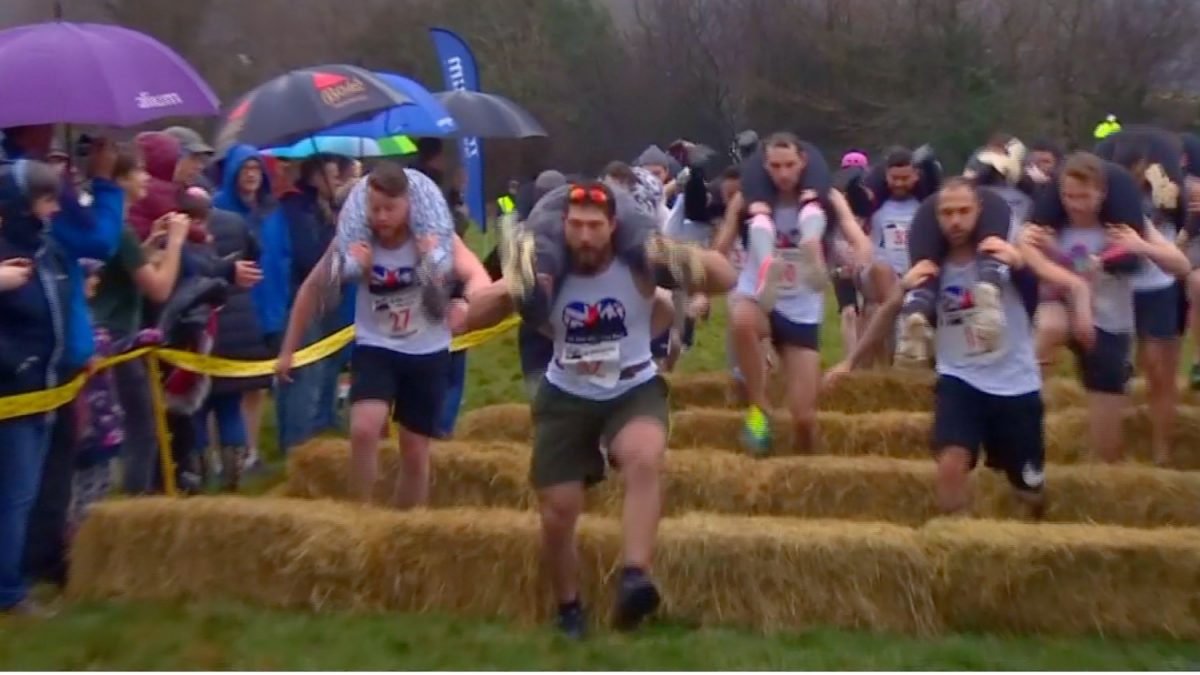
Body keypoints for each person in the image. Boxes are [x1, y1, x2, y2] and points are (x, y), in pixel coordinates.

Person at [488, 180, 736, 637]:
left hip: (631, 385)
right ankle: (570, 608)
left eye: (594, 227)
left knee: (644, 456)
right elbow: (477, 311)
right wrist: (508, 288)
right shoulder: (546, 269)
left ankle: (634, 577)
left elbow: (725, 278)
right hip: (566, 393)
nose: (585, 237)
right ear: (563, 227)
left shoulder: (640, 265)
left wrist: (686, 260)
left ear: (612, 227)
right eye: (576, 226)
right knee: (559, 511)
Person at [827, 180, 1046, 516]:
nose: (955, 221)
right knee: (950, 465)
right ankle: (959, 542)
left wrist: (1021, 263)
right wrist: (850, 362)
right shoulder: (929, 268)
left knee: (1028, 489)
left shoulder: (1004, 255)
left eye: (963, 212)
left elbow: (1043, 290)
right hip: (960, 379)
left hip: (1015, 383)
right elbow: (887, 312)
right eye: (946, 213)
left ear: (979, 212)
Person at [277, 162, 489, 507]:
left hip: (427, 350)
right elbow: (312, 291)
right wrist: (288, 351)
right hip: (378, 345)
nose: (382, 217)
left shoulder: (435, 239)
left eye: (390, 209)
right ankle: (362, 512)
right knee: (363, 428)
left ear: (409, 206)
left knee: (415, 449)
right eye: (374, 209)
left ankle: (406, 525)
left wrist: (466, 305)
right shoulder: (355, 245)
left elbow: (478, 276)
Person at [0, 156, 121, 616]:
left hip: (46, 389)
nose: (54, 209)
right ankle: (8, 594)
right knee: (13, 496)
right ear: (21, 203)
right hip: (13, 390)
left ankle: (17, 575)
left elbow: (94, 243)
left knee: (25, 493)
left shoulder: (47, 251)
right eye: (47, 199)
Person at [1020, 152, 1187, 464]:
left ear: (1102, 193)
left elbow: (1180, 264)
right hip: (1066, 311)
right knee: (1049, 326)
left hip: (1110, 325)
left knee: (1106, 447)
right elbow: (1067, 263)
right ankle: (1022, 412)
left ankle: (1109, 458)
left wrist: (1143, 247)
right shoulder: (1051, 226)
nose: (1075, 204)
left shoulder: (1124, 226)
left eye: (1084, 197)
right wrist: (1048, 250)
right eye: (1068, 196)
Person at [91, 146, 190, 495]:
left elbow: (119, 270)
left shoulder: (105, 227)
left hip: (99, 336)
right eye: (139, 171)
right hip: (119, 339)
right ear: (119, 180)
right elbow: (159, 289)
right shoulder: (120, 231)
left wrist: (152, 242)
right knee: (141, 428)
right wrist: (176, 243)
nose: (147, 178)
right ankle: (134, 504)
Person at [213, 144, 285, 473]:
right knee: (225, 390)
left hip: (269, 309)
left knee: (257, 386)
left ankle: (252, 451)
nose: (252, 175)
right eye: (245, 169)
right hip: (232, 313)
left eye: (256, 169)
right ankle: (223, 454)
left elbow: (283, 256)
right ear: (233, 174)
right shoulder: (218, 209)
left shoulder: (273, 211)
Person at [273, 154, 344, 454]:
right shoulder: (296, 208)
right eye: (334, 174)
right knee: (304, 375)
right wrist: (337, 235)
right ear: (317, 175)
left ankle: (317, 428)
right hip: (300, 300)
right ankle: (297, 445)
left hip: (323, 300)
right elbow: (309, 257)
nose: (338, 181)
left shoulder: (318, 207)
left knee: (319, 370)